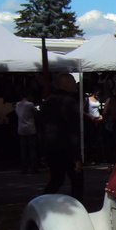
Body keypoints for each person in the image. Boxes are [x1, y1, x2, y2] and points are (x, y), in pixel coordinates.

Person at [40, 73, 84, 202]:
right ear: (66, 84)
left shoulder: (47, 101)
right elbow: (73, 129)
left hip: (51, 146)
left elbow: (41, 128)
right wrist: (77, 157)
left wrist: (42, 151)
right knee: (77, 179)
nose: (75, 85)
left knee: (57, 178)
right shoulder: (70, 102)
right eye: (73, 82)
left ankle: (44, 202)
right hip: (66, 146)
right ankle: (77, 206)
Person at [15, 90, 38, 174]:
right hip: (30, 127)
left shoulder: (17, 104)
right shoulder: (30, 104)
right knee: (32, 149)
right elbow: (35, 114)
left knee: (23, 150)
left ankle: (24, 168)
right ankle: (33, 168)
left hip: (21, 128)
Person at [83, 86, 104, 164]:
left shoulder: (98, 99)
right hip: (90, 120)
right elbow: (82, 110)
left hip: (97, 119)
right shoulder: (87, 99)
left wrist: (101, 116)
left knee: (99, 139)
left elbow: (99, 109)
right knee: (90, 139)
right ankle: (89, 157)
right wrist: (90, 116)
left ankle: (100, 157)